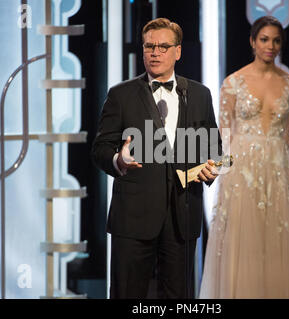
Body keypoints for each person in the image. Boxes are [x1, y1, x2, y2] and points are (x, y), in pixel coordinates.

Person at [92, 18, 222, 299]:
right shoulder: (121, 95)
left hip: (182, 216)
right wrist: (119, 159)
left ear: (178, 52)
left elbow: (213, 148)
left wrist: (211, 168)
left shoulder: (199, 94)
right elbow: (100, 149)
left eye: (163, 46)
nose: (155, 52)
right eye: (149, 46)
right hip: (133, 218)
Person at [199, 16, 289, 298]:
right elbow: (225, 138)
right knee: (243, 245)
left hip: (276, 173)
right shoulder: (233, 82)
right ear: (252, 41)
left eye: (275, 40)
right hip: (240, 174)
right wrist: (229, 175)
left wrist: (274, 162)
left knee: (276, 244)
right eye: (264, 39)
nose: (270, 46)